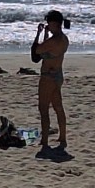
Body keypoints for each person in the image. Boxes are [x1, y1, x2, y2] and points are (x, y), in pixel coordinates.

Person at [31, 10, 70, 157]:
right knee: (58, 106)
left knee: (43, 108)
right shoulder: (64, 39)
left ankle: (45, 140)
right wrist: (47, 33)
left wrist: (39, 33)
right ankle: (62, 137)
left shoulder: (54, 40)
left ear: (54, 23)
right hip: (58, 75)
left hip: (48, 77)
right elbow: (46, 50)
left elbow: (37, 50)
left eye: (49, 24)